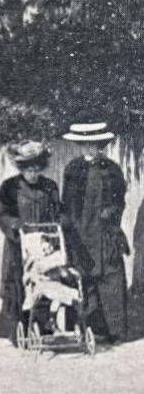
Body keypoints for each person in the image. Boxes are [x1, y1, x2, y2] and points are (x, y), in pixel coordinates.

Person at [61, 121, 129, 344]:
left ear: (101, 145)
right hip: (80, 233)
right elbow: (66, 204)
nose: (91, 149)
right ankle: (84, 327)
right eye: (86, 144)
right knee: (83, 278)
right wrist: (69, 230)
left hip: (105, 233)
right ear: (80, 146)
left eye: (95, 144)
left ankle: (114, 331)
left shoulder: (112, 169)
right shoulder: (72, 169)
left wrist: (112, 211)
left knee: (111, 278)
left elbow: (120, 200)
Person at [0, 140, 61, 342]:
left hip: (45, 245)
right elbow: (3, 215)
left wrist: (58, 227)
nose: (32, 173)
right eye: (28, 169)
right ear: (21, 168)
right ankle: (18, 330)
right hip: (18, 245)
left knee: (45, 282)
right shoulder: (9, 187)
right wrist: (16, 226)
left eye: (36, 168)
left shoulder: (50, 187)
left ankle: (43, 327)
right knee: (18, 286)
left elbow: (58, 212)